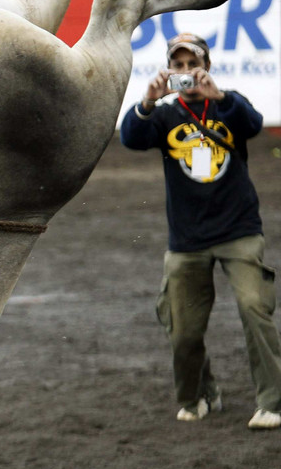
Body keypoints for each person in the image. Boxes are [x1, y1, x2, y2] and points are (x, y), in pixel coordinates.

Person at [120, 33, 281, 431]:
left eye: (193, 64)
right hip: (188, 239)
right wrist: (146, 102)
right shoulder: (162, 114)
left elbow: (254, 124)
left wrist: (221, 97)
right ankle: (200, 394)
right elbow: (130, 138)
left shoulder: (230, 104)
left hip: (238, 230)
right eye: (178, 65)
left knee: (254, 309)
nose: (186, 72)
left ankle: (272, 402)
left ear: (206, 66)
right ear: (169, 70)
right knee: (183, 328)